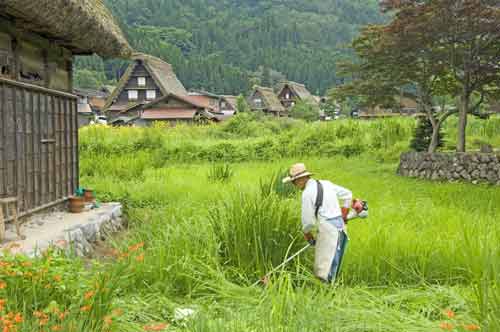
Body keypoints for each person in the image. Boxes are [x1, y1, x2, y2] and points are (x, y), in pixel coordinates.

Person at [283, 163, 363, 283]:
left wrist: (307, 235)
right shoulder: (326, 183)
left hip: (328, 230)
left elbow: (308, 222)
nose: (294, 185)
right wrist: (344, 214)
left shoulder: (307, 193)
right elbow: (348, 194)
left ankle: (325, 293)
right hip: (341, 227)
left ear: (300, 179)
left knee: (323, 268)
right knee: (334, 263)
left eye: (294, 182)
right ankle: (332, 291)